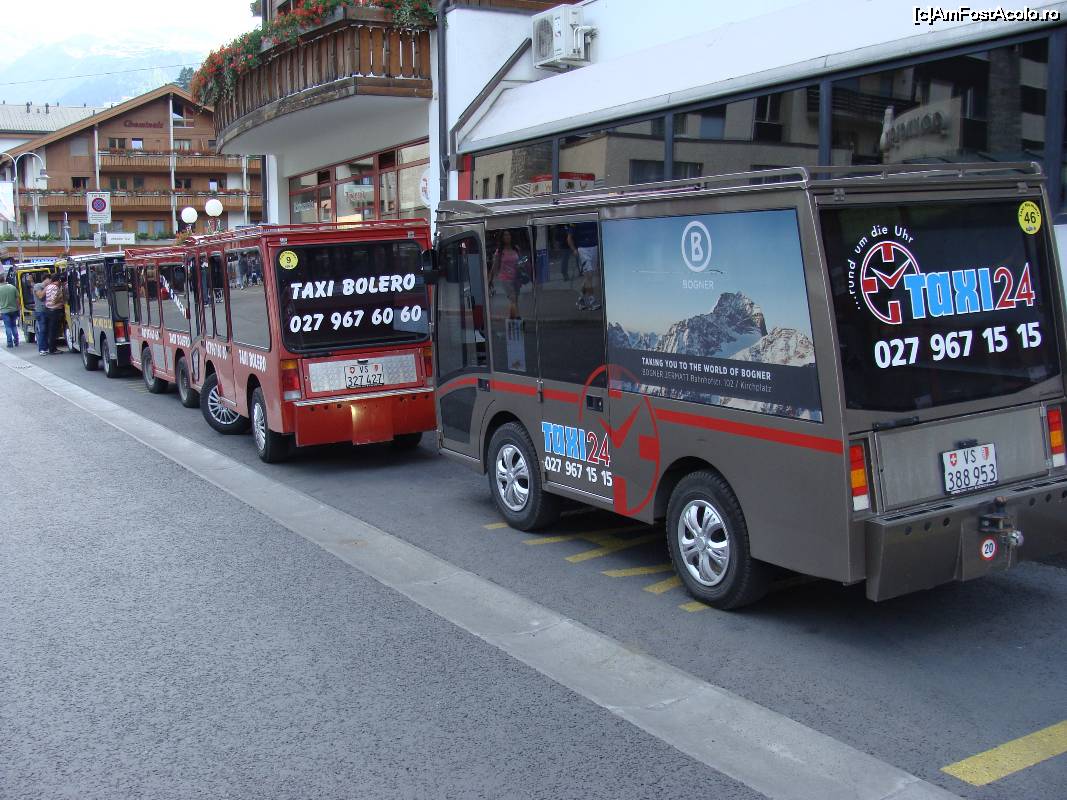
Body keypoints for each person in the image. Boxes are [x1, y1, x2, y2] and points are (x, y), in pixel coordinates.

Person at [489, 230, 525, 319]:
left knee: (515, 300)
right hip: (505, 279)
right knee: (513, 298)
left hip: (516, 278)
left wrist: (522, 265)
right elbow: (494, 265)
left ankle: (512, 319)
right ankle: (517, 318)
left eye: (508, 235)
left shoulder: (516, 248)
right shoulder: (500, 251)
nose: (507, 237)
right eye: (505, 235)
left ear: (511, 236)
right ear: (502, 238)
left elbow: (521, 260)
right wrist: (490, 279)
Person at [566, 222, 601, 311]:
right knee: (588, 275)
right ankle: (592, 302)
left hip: (594, 248)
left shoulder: (594, 218)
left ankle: (580, 300)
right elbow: (569, 238)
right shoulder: (576, 220)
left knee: (588, 277)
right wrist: (574, 250)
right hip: (583, 249)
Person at [43, 272, 66, 353]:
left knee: (50, 330)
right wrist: (61, 297)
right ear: (58, 280)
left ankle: (51, 348)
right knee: (53, 331)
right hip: (54, 311)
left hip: (48, 310)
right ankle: (52, 349)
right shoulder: (55, 288)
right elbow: (53, 300)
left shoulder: (48, 286)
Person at [31, 273, 48, 354]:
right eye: (50, 280)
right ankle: (42, 349)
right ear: (46, 279)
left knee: (46, 330)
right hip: (40, 311)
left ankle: (46, 347)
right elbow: (40, 296)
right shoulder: (38, 286)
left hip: (46, 310)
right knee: (43, 330)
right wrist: (47, 288)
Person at [0, 277, 19, 348]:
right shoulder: (12, 287)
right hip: (14, 310)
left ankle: (10, 343)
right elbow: (17, 299)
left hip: (4, 311)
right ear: (4, 279)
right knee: (14, 326)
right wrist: (18, 308)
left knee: (8, 327)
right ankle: (16, 341)